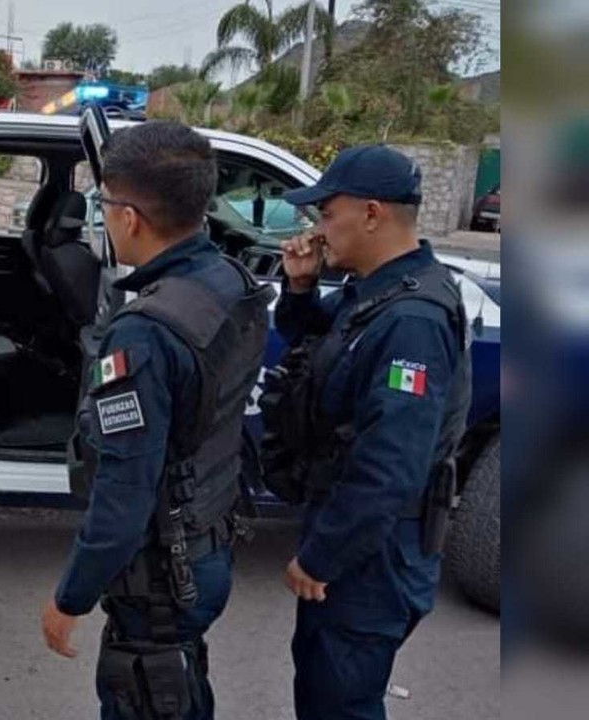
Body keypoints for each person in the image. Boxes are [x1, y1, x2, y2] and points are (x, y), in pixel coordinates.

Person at [40, 121, 274, 720]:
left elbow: (124, 494)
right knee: (181, 685)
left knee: (145, 691)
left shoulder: (144, 333)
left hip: (162, 575)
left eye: (103, 203)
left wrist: (71, 598)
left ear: (130, 217)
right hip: (208, 538)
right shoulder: (230, 280)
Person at [265, 145, 471, 720]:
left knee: (341, 703)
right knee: (323, 689)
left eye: (328, 214)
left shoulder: (413, 320)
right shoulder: (374, 290)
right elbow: (319, 350)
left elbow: (391, 466)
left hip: (371, 555)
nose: (319, 230)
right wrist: (301, 289)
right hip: (354, 538)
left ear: (374, 213)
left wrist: (321, 557)